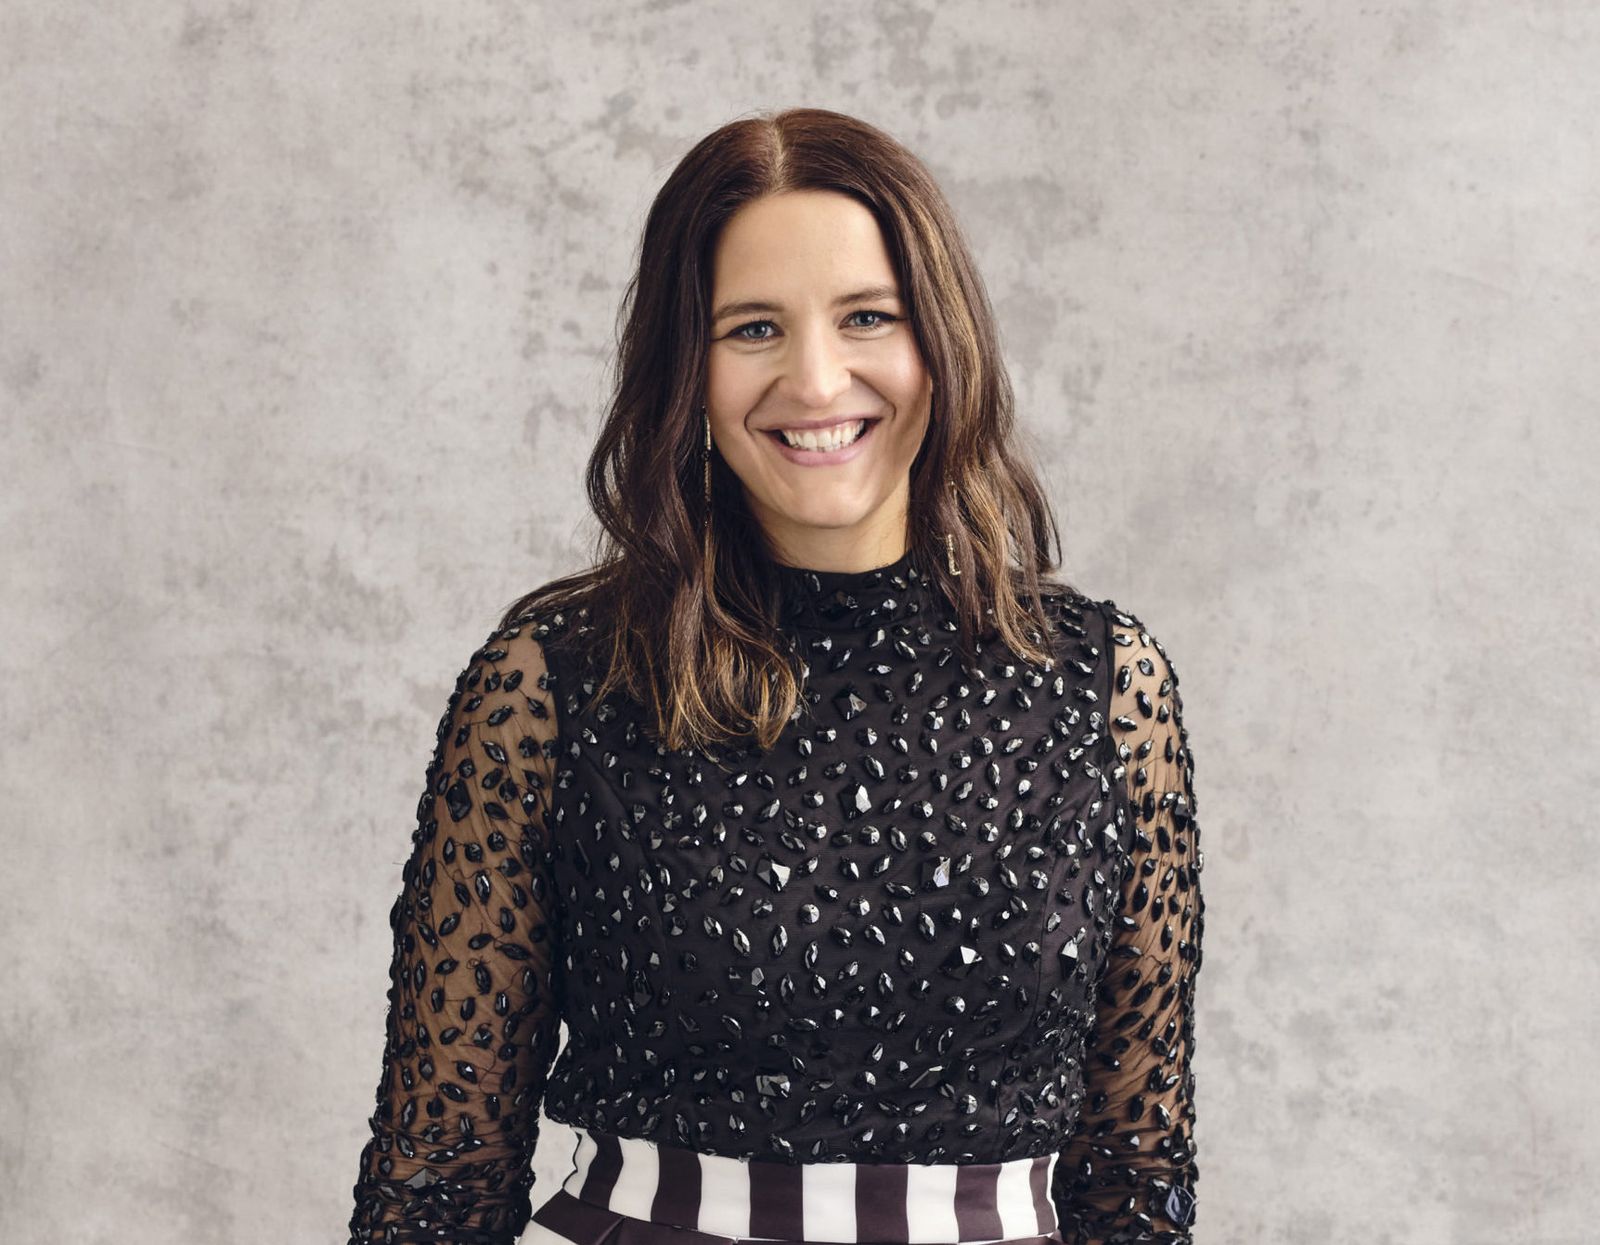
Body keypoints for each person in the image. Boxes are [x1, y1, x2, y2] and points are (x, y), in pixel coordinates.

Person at [347, 107, 1206, 1245]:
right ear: (686, 369)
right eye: (753, 327)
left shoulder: (1100, 685)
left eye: (867, 317)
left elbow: (1134, 1171)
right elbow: (440, 1180)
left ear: (942, 338)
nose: (815, 378)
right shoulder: (555, 686)